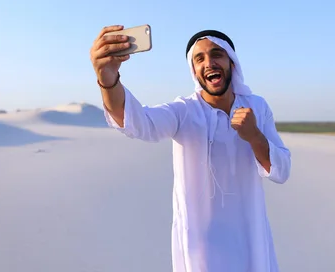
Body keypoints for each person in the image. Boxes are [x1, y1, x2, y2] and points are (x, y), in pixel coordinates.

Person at [90, 25, 291, 272]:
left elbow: (281, 170)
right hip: (201, 251)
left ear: (232, 63)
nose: (209, 63)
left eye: (217, 54)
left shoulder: (257, 107)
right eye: (200, 59)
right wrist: (107, 78)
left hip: (251, 242)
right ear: (194, 71)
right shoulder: (183, 111)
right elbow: (136, 122)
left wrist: (254, 136)